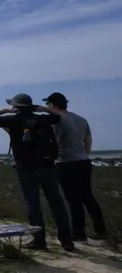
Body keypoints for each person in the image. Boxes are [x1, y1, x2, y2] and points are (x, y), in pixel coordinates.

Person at [0, 93, 74, 251]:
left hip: (25, 166)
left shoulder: (12, 120)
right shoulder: (43, 118)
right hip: (46, 164)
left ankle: (39, 241)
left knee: (33, 204)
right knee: (56, 203)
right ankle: (66, 241)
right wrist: (44, 109)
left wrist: (5, 110)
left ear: (16, 106)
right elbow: (62, 116)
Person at [43, 92, 107, 240]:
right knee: (87, 196)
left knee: (73, 199)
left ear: (53, 105)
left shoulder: (58, 121)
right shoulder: (81, 119)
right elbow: (88, 141)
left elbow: (56, 142)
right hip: (83, 161)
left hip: (65, 162)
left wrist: (51, 158)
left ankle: (78, 232)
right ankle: (100, 229)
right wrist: (83, 155)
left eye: (48, 104)